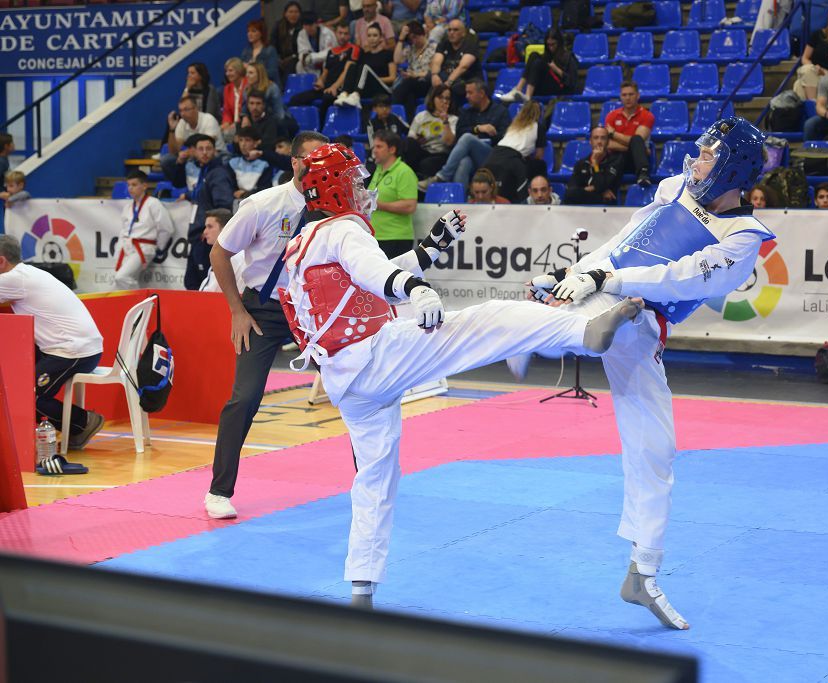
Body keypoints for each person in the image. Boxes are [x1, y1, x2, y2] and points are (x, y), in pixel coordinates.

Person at [279, 143, 642, 608]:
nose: (361, 188)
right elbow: (376, 273)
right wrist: (418, 291)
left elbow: (375, 271)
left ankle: (361, 588)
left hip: (346, 381)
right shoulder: (345, 229)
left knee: (374, 479)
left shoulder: (302, 243)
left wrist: (431, 251)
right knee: (486, 320)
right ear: (332, 189)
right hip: (375, 355)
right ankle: (580, 331)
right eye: (352, 180)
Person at [518, 117, 777, 631]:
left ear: (732, 170)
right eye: (698, 151)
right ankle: (530, 333)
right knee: (573, 315)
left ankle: (643, 571)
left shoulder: (743, 234)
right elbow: (623, 239)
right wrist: (573, 273)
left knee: (656, 449)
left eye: (707, 155)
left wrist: (603, 277)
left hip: (637, 317)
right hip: (611, 299)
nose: (695, 161)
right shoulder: (675, 187)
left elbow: (676, 277)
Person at [203, 131, 330, 519]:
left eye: (324, 159)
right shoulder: (263, 205)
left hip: (314, 309)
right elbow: (219, 254)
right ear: (293, 162)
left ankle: (372, 478)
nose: (316, 166)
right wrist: (237, 312)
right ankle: (218, 491)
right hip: (264, 309)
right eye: (309, 159)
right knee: (244, 398)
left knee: (354, 388)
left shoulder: (336, 206)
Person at [0, 235, 105, 467]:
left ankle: (83, 422)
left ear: (1, 262)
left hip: (73, 350)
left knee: (28, 394)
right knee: (19, 381)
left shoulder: (14, 279)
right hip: (78, 347)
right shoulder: (27, 274)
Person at [170, 134, 236, 290]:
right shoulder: (203, 171)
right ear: (194, 151)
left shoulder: (218, 172)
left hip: (206, 238)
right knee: (192, 283)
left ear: (215, 151)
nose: (205, 152)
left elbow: (224, 206)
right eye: (201, 149)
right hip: (199, 236)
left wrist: (209, 229)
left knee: (204, 285)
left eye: (209, 149)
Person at [417, 78, 509, 190]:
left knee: (467, 138)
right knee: (463, 162)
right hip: (469, 156)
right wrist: (478, 129)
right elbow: (459, 133)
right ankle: (460, 201)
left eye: (470, 93)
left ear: (481, 94)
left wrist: (486, 137)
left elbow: (504, 138)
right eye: (466, 93)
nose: (466, 96)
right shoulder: (466, 112)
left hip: (491, 155)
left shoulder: (500, 111)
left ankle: (441, 176)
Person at [113, 170, 174, 290]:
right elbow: (123, 230)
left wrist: (158, 247)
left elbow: (166, 228)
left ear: (144, 186)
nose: (130, 188)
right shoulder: (128, 207)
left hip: (144, 247)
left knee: (121, 277)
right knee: (117, 281)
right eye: (129, 185)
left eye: (134, 185)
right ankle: (129, 305)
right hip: (126, 246)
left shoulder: (153, 204)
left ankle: (139, 301)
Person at [288, 24, 360, 124]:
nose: (342, 36)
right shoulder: (331, 51)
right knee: (295, 99)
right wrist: (320, 81)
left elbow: (347, 71)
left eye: (346, 34)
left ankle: (321, 131)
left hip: (340, 90)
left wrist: (334, 87)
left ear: (349, 36)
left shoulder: (353, 49)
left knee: (327, 99)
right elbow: (325, 71)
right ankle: (297, 127)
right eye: (340, 33)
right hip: (326, 88)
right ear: (335, 34)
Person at [481, 100, 547, 203]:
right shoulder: (538, 126)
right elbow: (539, 155)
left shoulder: (513, 126)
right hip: (512, 160)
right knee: (540, 165)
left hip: (493, 156)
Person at [368, 129, 418, 258]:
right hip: (376, 236)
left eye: (379, 146)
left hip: (396, 238)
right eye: (374, 146)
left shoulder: (404, 172)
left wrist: (378, 205)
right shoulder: (378, 170)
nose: (374, 150)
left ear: (392, 149)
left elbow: (410, 206)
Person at [497, 28, 579, 103]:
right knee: (533, 55)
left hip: (562, 88)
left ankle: (528, 96)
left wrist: (556, 69)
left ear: (559, 43)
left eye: (553, 44)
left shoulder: (568, 57)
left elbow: (572, 82)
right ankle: (518, 89)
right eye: (548, 45)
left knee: (538, 63)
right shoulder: (548, 55)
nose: (551, 48)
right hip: (545, 86)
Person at [161, 95, 226, 180]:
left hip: (215, 154)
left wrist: (187, 153)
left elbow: (208, 146)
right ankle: (180, 185)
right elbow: (173, 151)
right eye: (180, 110)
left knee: (219, 159)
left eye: (186, 109)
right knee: (167, 160)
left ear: (196, 109)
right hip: (193, 156)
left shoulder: (208, 119)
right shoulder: (182, 123)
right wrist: (172, 130)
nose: (183, 114)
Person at [333, 23, 397, 108]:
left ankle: (356, 95)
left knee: (365, 67)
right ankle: (344, 94)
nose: (372, 39)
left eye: (375, 35)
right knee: (352, 66)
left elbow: (392, 77)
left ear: (381, 37)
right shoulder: (364, 55)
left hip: (382, 88)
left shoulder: (388, 54)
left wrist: (372, 78)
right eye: (369, 36)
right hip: (366, 88)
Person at [604, 80, 653, 188]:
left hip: (635, 161)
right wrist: (639, 148)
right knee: (620, 155)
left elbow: (638, 139)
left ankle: (643, 173)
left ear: (638, 95)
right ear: (620, 97)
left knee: (636, 139)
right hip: (617, 158)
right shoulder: (611, 116)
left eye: (631, 94)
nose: (627, 98)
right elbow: (608, 144)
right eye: (624, 95)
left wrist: (613, 134)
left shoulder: (647, 115)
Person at [405, 84, 457, 179]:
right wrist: (418, 140)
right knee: (409, 143)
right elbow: (410, 139)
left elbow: (449, 142)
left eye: (447, 98)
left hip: (440, 154)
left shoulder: (453, 119)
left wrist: (445, 121)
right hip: (422, 151)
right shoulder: (421, 116)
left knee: (426, 164)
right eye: (440, 97)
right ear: (433, 98)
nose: (444, 101)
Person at [565, 126, 621, 206]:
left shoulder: (615, 162)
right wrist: (594, 190)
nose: (599, 141)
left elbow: (601, 186)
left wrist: (595, 164)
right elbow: (571, 189)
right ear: (590, 141)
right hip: (586, 201)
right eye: (596, 138)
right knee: (569, 195)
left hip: (606, 206)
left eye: (603, 138)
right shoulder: (581, 163)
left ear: (608, 142)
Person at [429, 19, 481, 106]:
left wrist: (448, 83)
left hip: (467, 79)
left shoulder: (470, 43)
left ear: (463, 33)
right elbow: (436, 61)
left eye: (455, 30)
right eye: (449, 30)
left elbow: (463, 67)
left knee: (453, 88)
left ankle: (451, 114)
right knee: (428, 81)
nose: (451, 33)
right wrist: (434, 75)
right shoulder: (444, 43)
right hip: (447, 77)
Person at [391, 21, 436, 120]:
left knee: (405, 85)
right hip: (412, 84)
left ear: (422, 33)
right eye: (411, 39)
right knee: (409, 96)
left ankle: (393, 113)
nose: (414, 41)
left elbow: (433, 72)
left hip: (426, 82)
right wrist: (401, 39)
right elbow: (396, 59)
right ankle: (409, 123)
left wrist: (415, 75)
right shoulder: (410, 48)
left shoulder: (433, 48)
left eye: (415, 37)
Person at [198, 209, 247, 294]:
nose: (205, 232)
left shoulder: (225, 257)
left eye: (210, 227)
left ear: (225, 229)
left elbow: (208, 294)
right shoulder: (242, 253)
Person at [228, 126, 275, 199]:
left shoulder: (264, 165)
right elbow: (229, 187)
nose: (243, 144)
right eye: (241, 140)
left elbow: (265, 190)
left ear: (256, 143)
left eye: (247, 140)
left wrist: (246, 194)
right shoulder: (233, 163)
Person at [296, 11, 338, 75]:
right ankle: (305, 83)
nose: (308, 28)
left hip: (326, 61)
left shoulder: (327, 33)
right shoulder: (301, 34)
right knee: (299, 65)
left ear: (316, 23)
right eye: (305, 25)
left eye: (311, 25)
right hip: (311, 63)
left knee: (328, 62)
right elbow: (302, 52)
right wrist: (305, 58)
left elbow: (329, 52)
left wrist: (312, 57)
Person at [242, 18, 281, 86]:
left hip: (267, 85)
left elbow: (272, 73)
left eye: (253, 31)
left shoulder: (270, 50)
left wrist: (253, 69)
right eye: (248, 31)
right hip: (251, 85)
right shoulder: (246, 51)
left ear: (261, 33)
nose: (249, 34)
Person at [270, 1, 302, 77]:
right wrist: (278, 59)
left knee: (291, 65)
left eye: (296, 12)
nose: (293, 15)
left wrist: (292, 57)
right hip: (280, 58)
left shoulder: (303, 27)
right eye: (290, 12)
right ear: (285, 14)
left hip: (297, 58)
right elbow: (272, 45)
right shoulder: (278, 26)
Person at [221, 57, 249, 142]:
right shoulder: (227, 88)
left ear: (239, 70)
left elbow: (247, 109)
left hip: (245, 123)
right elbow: (227, 111)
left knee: (225, 136)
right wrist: (226, 123)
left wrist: (235, 124)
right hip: (233, 125)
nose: (227, 74)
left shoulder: (248, 85)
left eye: (230, 71)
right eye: (226, 71)